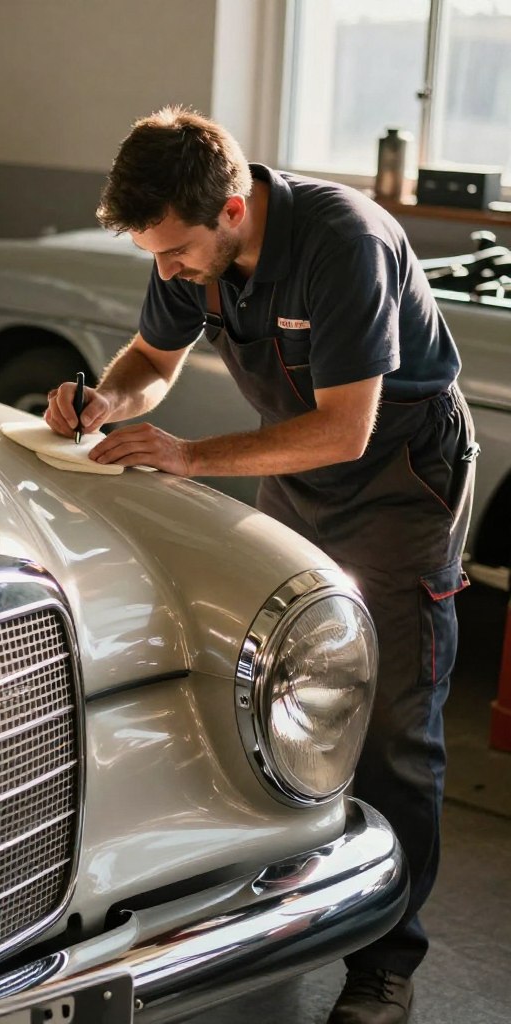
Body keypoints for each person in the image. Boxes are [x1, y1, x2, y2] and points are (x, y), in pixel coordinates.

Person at [45, 106, 477, 1024]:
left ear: (233, 209)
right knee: (274, 685)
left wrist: (192, 458)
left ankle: (385, 968)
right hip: (298, 472)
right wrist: (102, 401)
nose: (164, 272)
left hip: (398, 477)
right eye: (152, 256)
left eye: (174, 254)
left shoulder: (343, 243)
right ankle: (286, 901)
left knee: (394, 723)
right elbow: (151, 362)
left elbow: (344, 427)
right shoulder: (187, 242)